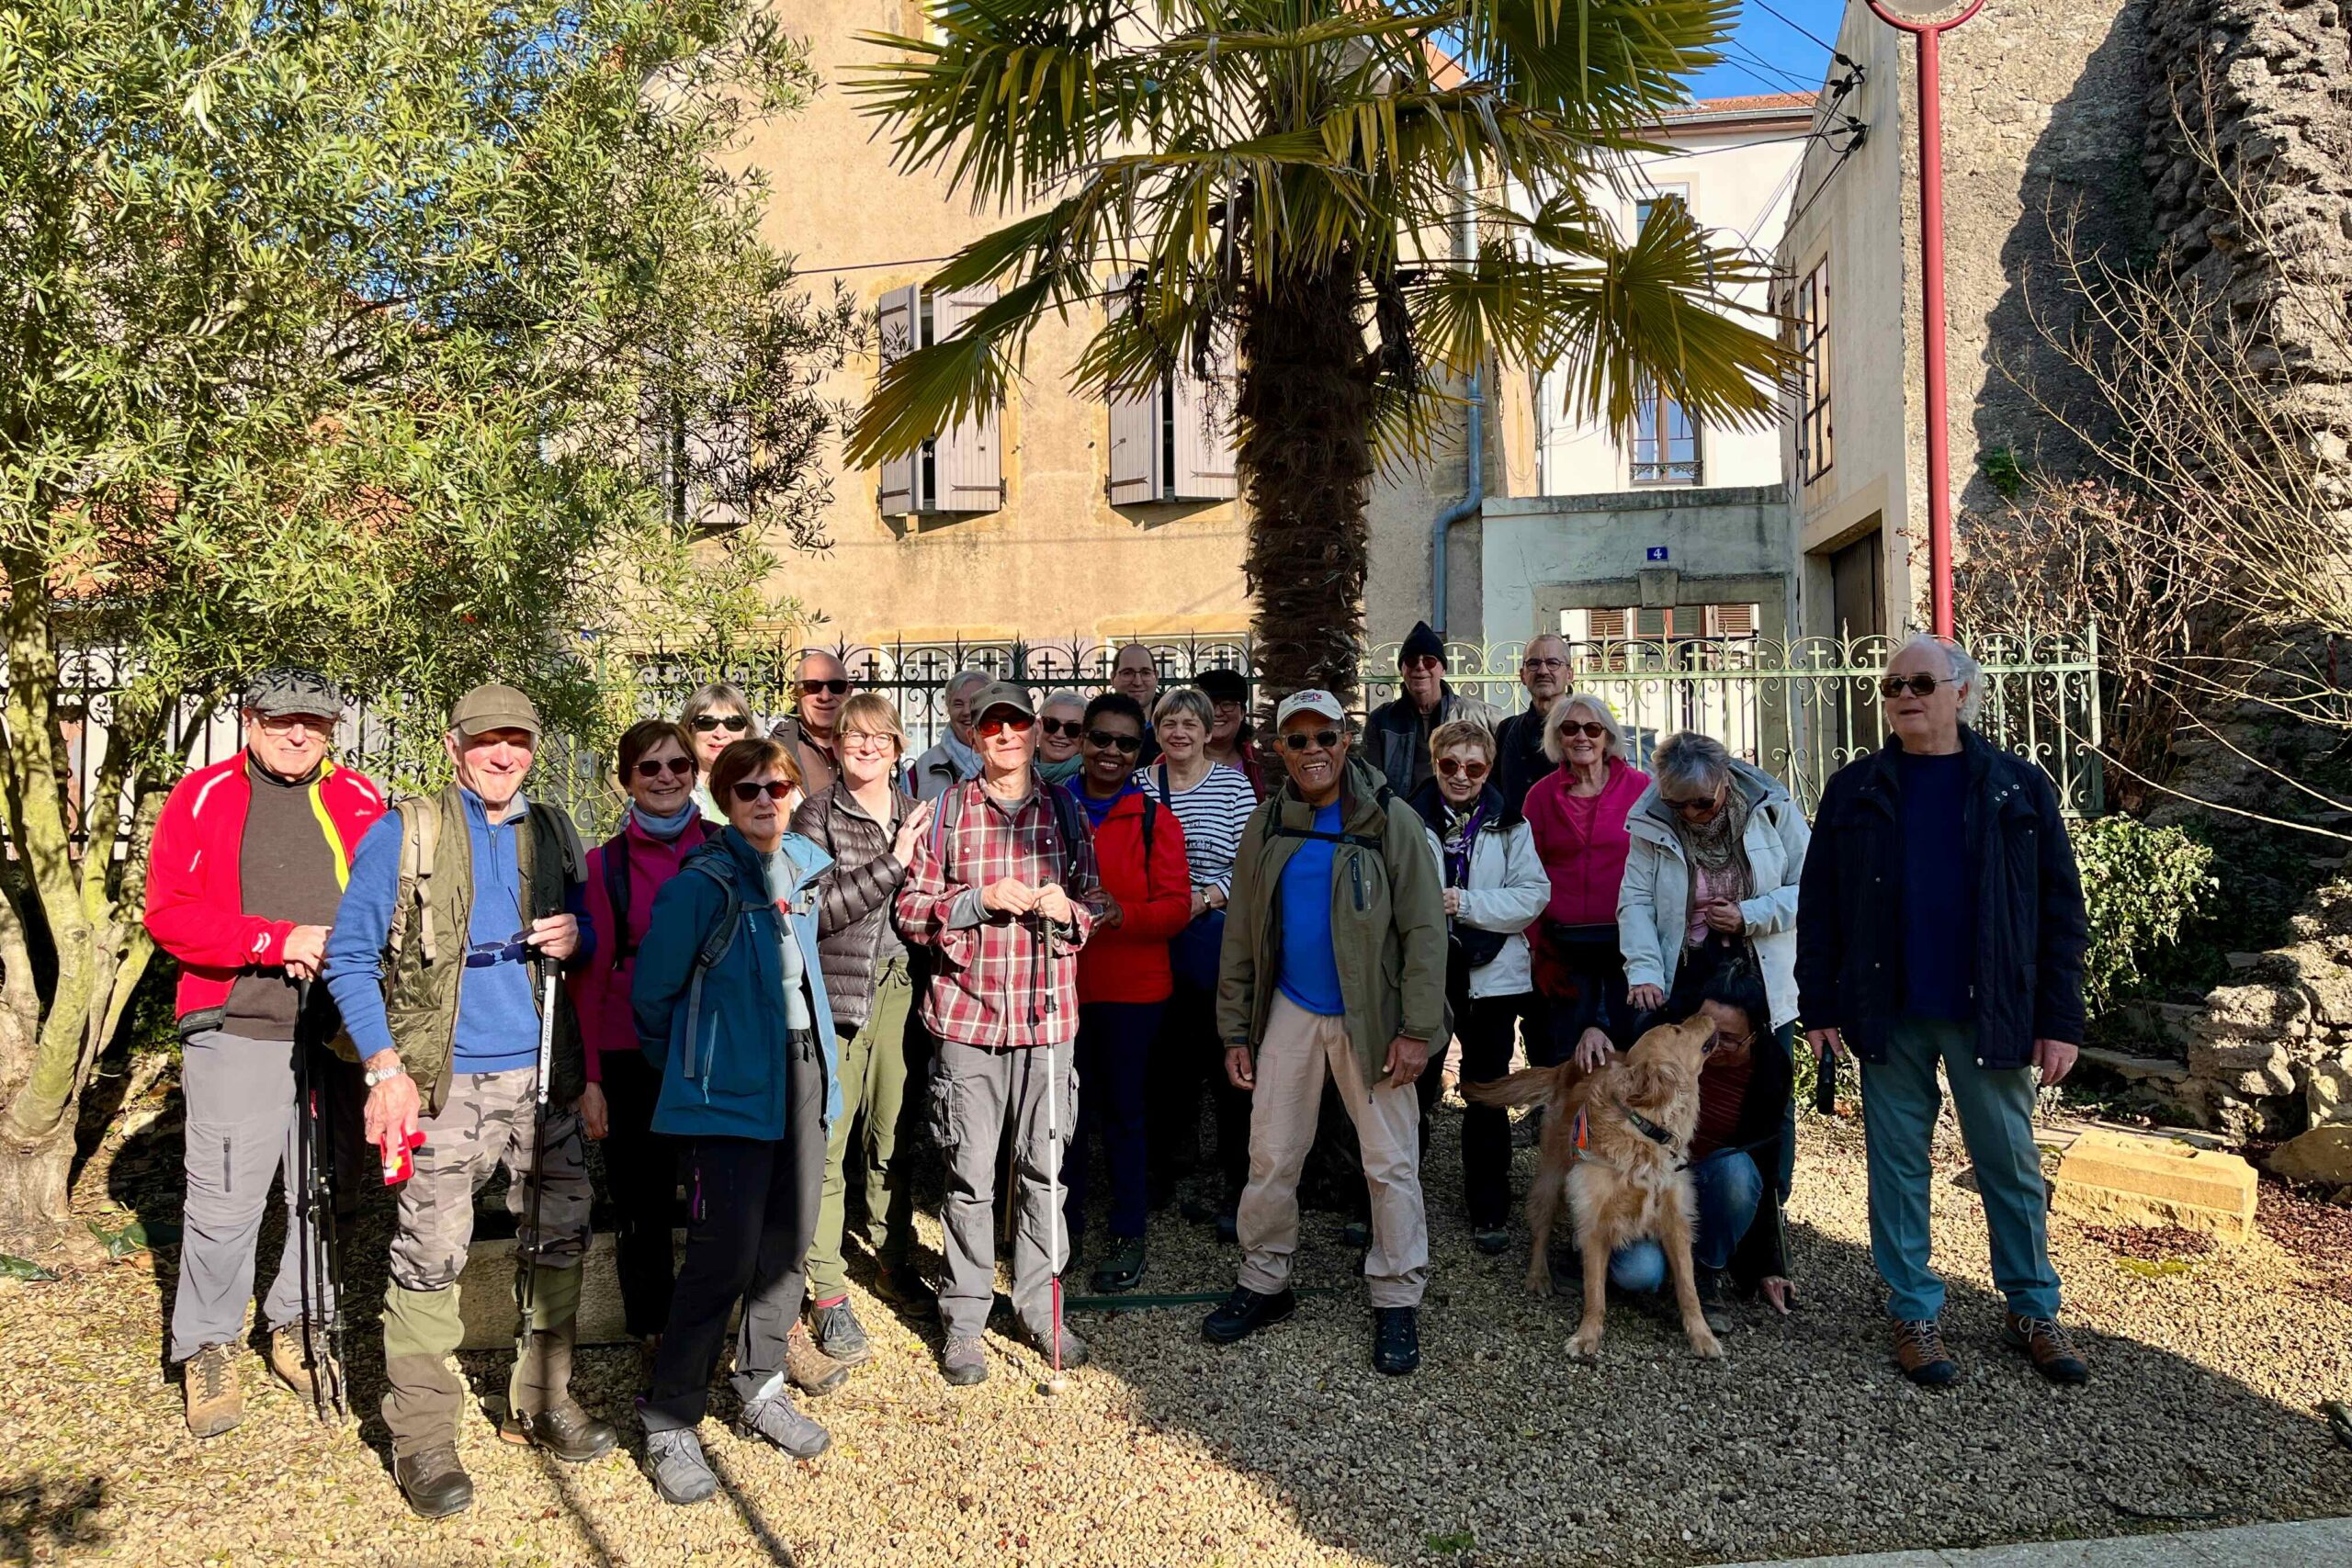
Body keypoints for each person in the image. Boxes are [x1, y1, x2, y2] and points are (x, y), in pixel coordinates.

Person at [322, 684, 611, 1518]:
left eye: (518, 741)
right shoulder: (404, 831)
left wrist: (579, 935)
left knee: (559, 1239)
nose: (503, 755)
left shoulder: (553, 830)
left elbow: (591, 937)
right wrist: (385, 1066)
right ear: (454, 747)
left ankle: (543, 1399)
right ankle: (423, 1438)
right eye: (487, 740)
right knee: (430, 1254)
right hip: (442, 1083)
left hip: (544, 1076)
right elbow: (350, 956)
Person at [1798, 634, 2092, 1388]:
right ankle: (1913, 1310)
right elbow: (1820, 905)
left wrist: (2059, 1020)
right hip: (1889, 1007)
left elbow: (2061, 910)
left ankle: (2032, 1308)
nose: (1904, 695)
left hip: (1990, 1007)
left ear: (1962, 692)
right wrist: (1819, 1002)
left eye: (1921, 683)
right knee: (1898, 1169)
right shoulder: (1854, 788)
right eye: (1893, 684)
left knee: (2010, 1164)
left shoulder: (2017, 786)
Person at [143, 669, 386, 1438]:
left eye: (314, 722)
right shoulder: (203, 796)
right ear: (250, 721)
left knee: (327, 1186)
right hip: (238, 1023)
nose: (298, 733)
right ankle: (208, 1344)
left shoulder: (361, 798)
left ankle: (299, 1320)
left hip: (337, 1030)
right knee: (224, 1196)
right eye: (282, 720)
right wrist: (271, 939)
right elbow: (168, 913)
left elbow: (390, 899)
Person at [1202, 691, 1446, 1375]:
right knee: (1272, 1153)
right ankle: (1265, 1279)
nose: (1313, 750)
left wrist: (1417, 1029)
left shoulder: (1389, 819)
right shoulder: (1267, 823)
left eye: (1325, 737)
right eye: (1298, 739)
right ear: (1279, 749)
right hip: (1292, 1006)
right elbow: (1242, 934)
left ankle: (1397, 1294)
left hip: (1374, 1015)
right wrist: (1235, 1030)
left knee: (1389, 1161)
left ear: (1346, 741)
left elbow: (1425, 932)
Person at [628, 737, 842, 1506]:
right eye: (747, 788)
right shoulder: (703, 884)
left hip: (802, 1067)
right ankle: (670, 1418)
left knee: (787, 1242)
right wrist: (698, 1070)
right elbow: (652, 997)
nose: (764, 799)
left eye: (777, 786)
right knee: (723, 1254)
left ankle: (761, 1382)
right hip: (729, 1087)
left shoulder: (802, 869)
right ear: (723, 799)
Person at [895, 682, 1103, 1386]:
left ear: (1036, 730)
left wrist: (1069, 910)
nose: (1007, 736)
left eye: (1018, 723)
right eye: (993, 726)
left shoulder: (1065, 811)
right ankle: (965, 1320)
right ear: (975, 736)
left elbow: (1096, 902)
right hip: (967, 1020)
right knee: (970, 1176)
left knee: (1045, 1174)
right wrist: (975, 901)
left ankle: (1042, 1309)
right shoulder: (947, 812)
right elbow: (910, 908)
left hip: (1048, 1021)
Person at [1611, 728, 1810, 1314]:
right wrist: (1644, 971)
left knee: (1762, 1114)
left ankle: (1756, 1249)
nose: (1691, 815)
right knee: (1670, 1100)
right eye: (1678, 805)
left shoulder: (1771, 807)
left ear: (1725, 781)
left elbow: (1813, 886)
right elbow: (1635, 902)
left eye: (1701, 803)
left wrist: (1750, 914)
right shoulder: (1652, 818)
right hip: (1687, 980)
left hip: (1762, 981)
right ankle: (1660, 1225)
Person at [569, 719, 716, 1381]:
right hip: (632, 1053)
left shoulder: (725, 848)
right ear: (626, 779)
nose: (665, 778)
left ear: (695, 773)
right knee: (642, 1203)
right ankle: (655, 1329)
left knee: (718, 1195)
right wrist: (591, 1077)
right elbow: (590, 978)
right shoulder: (606, 865)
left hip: (712, 1049)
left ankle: (711, 1321)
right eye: (650, 767)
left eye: (678, 765)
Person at [792, 694, 936, 1364]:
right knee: (830, 1140)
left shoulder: (919, 813)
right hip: (841, 995)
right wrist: (894, 862)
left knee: (893, 1136)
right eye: (855, 736)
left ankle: (891, 1259)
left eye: (881, 737)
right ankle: (825, 1288)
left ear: (899, 747)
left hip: (905, 991)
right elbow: (818, 911)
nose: (867, 747)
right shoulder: (816, 815)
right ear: (837, 745)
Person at [1570, 967, 1795, 1330]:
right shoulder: (1666, 1039)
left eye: (1728, 1039)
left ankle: (1705, 1270)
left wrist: (1770, 1265)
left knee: (1738, 1172)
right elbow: (1623, 1048)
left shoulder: (1770, 1069)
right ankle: (1650, 1265)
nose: (1713, 1042)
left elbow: (1766, 1164)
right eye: (1705, 1025)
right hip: (1647, 1180)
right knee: (1640, 1273)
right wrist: (1596, 1028)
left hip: (1711, 1180)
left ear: (1754, 1036)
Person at [1059, 693, 1190, 1292]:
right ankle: (1061, 1230)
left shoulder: (1154, 820)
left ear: (1140, 752)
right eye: (1101, 738)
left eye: (1126, 743)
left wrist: (1122, 913)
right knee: (1063, 1118)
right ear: (1082, 740)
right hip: (1061, 988)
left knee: (1124, 1116)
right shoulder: (1054, 808)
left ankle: (1127, 1230)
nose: (1111, 751)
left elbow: (1176, 908)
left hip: (1131, 993)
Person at [1408, 719, 1548, 1255]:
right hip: (1426, 974)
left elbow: (1532, 895)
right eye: (1450, 764)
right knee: (1413, 1089)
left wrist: (1465, 904)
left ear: (1488, 769)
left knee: (1486, 1091)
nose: (1461, 775)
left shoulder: (1511, 823)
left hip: (1491, 979)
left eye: (1474, 766)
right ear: (1435, 763)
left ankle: (1489, 1207)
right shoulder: (1407, 818)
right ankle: (1397, 1205)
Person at [1139, 686, 1262, 1232]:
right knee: (1165, 1061)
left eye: (1191, 723)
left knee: (1225, 1060)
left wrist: (1204, 897)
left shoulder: (1233, 786)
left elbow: (1250, 863)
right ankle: (1166, 1168)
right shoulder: (1141, 785)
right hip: (1158, 941)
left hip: (1215, 940)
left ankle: (1239, 1181)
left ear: (1209, 731)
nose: (1180, 732)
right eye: (1170, 723)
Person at [1523, 694, 1647, 1066]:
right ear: (1557, 737)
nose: (1581, 737)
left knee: (1626, 1054)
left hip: (1627, 942)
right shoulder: (1540, 796)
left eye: (1592, 729)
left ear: (1607, 736)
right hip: (1564, 947)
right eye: (1570, 729)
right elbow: (1528, 872)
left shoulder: (1641, 790)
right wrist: (1533, 944)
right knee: (1568, 1058)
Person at [1363, 619, 1501, 794]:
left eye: (1429, 661)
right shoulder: (1381, 720)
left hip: (1463, 809)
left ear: (1443, 669)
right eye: (1411, 661)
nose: (1420, 667)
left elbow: (1500, 777)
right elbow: (1373, 783)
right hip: (1402, 809)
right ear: (1402, 669)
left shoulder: (1483, 717)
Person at [1493, 633, 1571, 816]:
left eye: (1553, 663)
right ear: (1523, 675)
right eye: (1534, 664)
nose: (1543, 671)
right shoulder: (1506, 730)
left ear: (1569, 675)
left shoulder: (1589, 731)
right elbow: (1492, 791)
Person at [771, 649, 853, 797]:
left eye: (836, 686)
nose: (825, 696)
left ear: (849, 691)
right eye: (812, 686)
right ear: (795, 693)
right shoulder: (771, 753)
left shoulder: (874, 748)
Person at [907, 668, 992, 802]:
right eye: (958, 704)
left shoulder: (1011, 757)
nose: (966, 711)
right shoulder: (924, 766)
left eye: (974, 703)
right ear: (948, 708)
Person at [682, 682, 755, 819]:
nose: (720, 734)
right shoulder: (671, 788)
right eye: (707, 723)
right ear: (688, 729)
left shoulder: (767, 787)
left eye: (733, 723)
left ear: (747, 730)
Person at [1196, 667, 1267, 798]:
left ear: (1242, 713)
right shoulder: (1171, 760)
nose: (1217, 713)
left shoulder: (1260, 763)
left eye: (1227, 704)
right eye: (1209, 705)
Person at [1111, 644, 1164, 765]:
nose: (1138, 682)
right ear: (1112, 678)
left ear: (1156, 676)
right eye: (1127, 673)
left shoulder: (1176, 726)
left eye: (1145, 673)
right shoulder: (1095, 725)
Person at [1034, 689, 1088, 786]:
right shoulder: (1016, 770)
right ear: (1039, 726)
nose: (1060, 734)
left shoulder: (1093, 779)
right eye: (1051, 724)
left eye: (1072, 728)